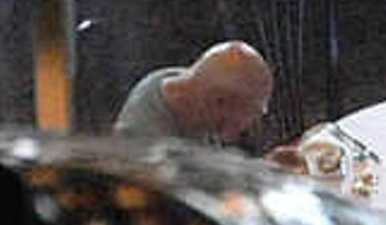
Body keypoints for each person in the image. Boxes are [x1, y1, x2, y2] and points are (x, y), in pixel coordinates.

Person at [110, 41, 274, 151]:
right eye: (250, 114)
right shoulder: (145, 141)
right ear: (218, 101)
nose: (246, 127)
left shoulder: (191, 86)